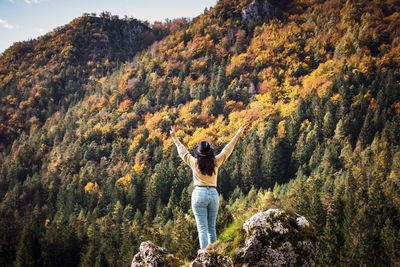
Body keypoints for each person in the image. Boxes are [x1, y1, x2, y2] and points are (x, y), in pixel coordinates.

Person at [170, 124, 245, 249]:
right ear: (210, 153)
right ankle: (213, 254)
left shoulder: (194, 163)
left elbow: (182, 151)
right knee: (211, 228)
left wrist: (174, 138)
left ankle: (205, 255)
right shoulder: (215, 162)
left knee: (202, 229)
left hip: (199, 193)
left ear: (198, 154)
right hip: (213, 195)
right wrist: (237, 134)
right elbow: (228, 149)